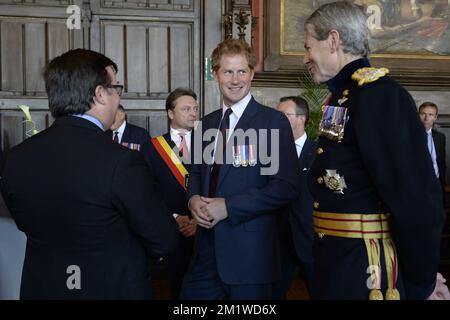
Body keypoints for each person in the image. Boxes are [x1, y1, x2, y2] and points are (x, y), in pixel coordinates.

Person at [0, 48, 177, 299]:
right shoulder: (122, 162)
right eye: (116, 88)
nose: (118, 98)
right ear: (100, 94)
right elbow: (164, 239)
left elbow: (25, 220)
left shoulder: (16, 158)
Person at [303, 2, 446, 300]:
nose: (305, 58)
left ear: (333, 40)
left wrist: (421, 282)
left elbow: (416, 199)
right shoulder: (342, 97)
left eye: (308, 47)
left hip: (368, 268)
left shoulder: (379, 95)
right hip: (337, 260)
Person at [180, 39, 299, 300]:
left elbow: (285, 186)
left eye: (242, 71)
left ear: (252, 73)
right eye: (228, 72)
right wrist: (193, 199)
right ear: (215, 74)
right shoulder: (206, 124)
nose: (235, 80)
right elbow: (196, 174)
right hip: (205, 251)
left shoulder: (272, 122)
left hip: (251, 257)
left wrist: (229, 206)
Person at [141, 87, 198, 299]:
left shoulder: (211, 143)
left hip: (206, 226)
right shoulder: (152, 148)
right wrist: (175, 218)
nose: (193, 113)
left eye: (195, 108)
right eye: (186, 109)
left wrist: (199, 220)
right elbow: (147, 191)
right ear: (170, 113)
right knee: (179, 285)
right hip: (172, 228)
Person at [273, 96, 317, 299]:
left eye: (285, 115)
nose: (278, 119)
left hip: (310, 237)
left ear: (302, 119)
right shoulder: (271, 153)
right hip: (277, 236)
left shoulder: (319, 153)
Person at [419, 101, 446, 192]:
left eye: (430, 115)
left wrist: (442, 183)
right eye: (423, 114)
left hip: (437, 183)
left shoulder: (440, 137)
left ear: (435, 117)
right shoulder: (409, 136)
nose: (426, 118)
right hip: (418, 183)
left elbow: (441, 162)